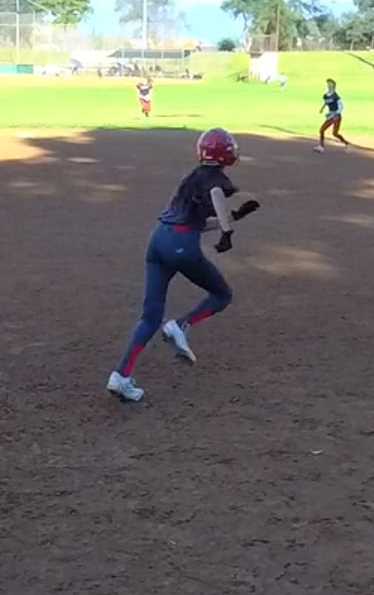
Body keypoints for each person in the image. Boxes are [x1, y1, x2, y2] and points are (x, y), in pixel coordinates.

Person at [107, 127, 260, 404]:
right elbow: (216, 193)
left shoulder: (192, 179)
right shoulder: (214, 180)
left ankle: (121, 376)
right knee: (222, 295)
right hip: (181, 247)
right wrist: (227, 233)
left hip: (158, 241)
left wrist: (233, 218)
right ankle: (181, 324)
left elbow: (196, 223)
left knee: (150, 317)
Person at [315, 78, 349, 151]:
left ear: (334, 86)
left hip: (336, 117)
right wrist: (322, 108)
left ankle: (346, 144)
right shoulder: (325, 95)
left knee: (334, 133)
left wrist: (334, 113)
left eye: (331, 84)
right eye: (328, 84)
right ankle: (321, 146)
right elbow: (326, 102)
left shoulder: (336, 97)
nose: (329, 85)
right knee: (322, 130)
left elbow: (341, 107)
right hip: (331, 116)